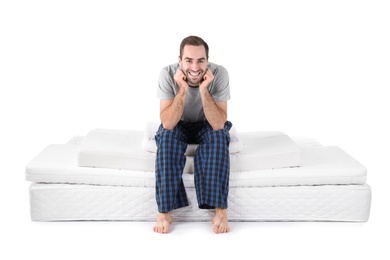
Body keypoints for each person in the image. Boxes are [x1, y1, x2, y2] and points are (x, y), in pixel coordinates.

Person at [154, 35, 232, 234]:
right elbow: (168, 122)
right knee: (167, 137)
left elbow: (217, 124)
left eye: (200, 60)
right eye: (189, 60)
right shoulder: (167, 73)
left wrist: (205, 90)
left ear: (207, 60)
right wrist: (182, 89)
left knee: (218, 137)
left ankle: (220, 210)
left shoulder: (219, 73)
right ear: (180, 60)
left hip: (207, 123)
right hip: (177, 122)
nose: (195, 67)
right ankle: (164, 212)